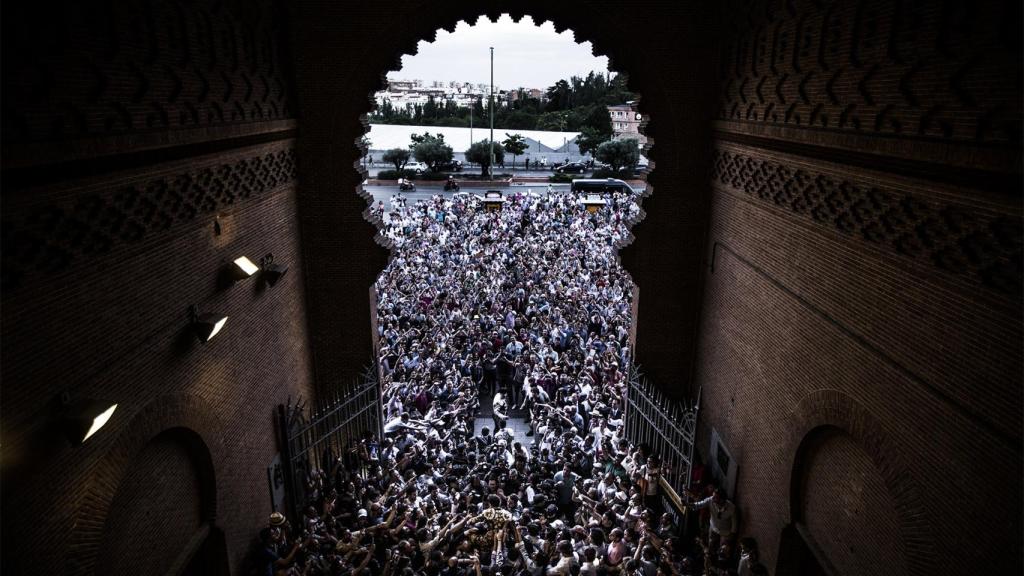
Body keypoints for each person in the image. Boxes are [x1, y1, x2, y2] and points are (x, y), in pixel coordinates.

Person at [689, 487, 736, 552]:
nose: (712, 498)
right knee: (711, 544)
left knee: (723, 550)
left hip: (725, 532)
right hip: (713, 527)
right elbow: (700, 504)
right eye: (713, 496)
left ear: (722, 500)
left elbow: (734, 524)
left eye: (715, 497)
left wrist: (732, 535)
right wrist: (688, 504)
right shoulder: (711, 500)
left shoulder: (732, 508)